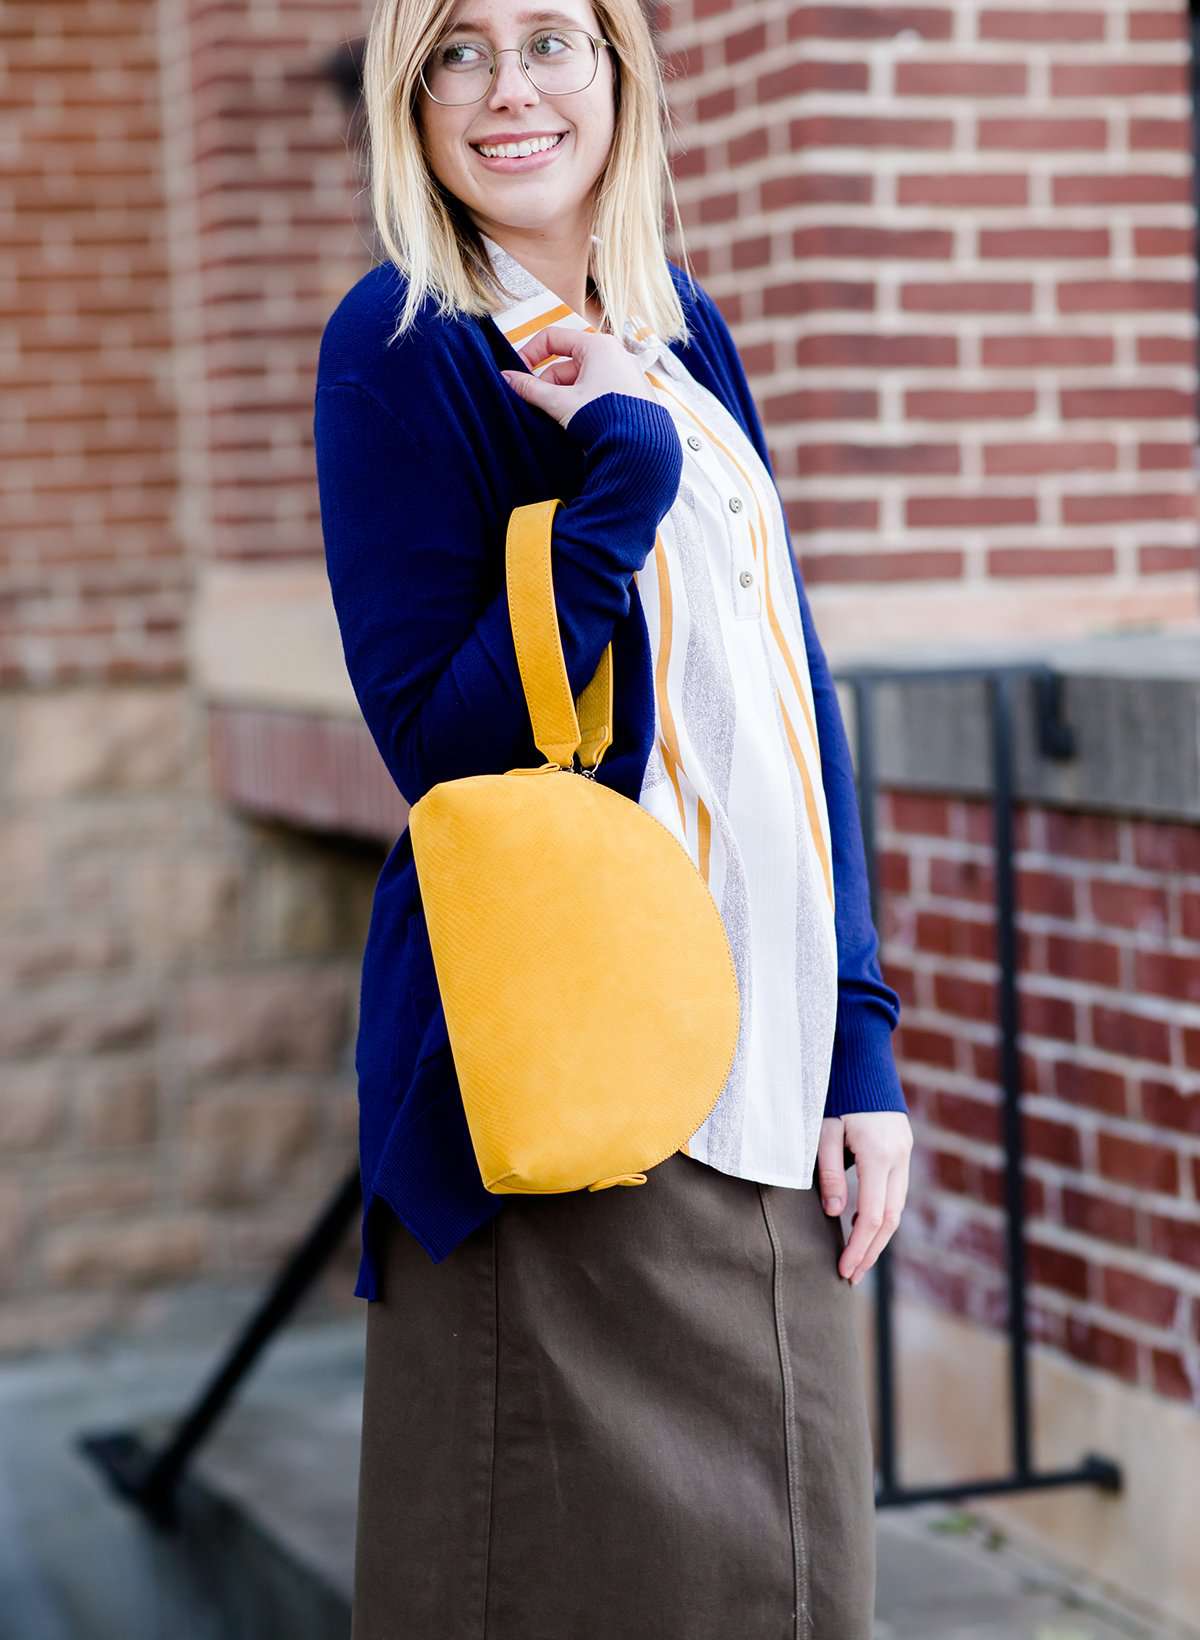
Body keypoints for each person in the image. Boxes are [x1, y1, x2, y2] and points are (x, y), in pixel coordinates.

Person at [313, 2, 914, 1635]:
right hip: (577, 1100)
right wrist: (617, 478)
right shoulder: (404, 344)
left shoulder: (680, 328)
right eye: (457, 52)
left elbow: (796, 698)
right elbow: (440, 748)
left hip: (769, 1084)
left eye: (552, 40)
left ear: (622, 72)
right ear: (409, 97)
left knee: (791, 1596)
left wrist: (857, 1044)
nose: (509, 91)